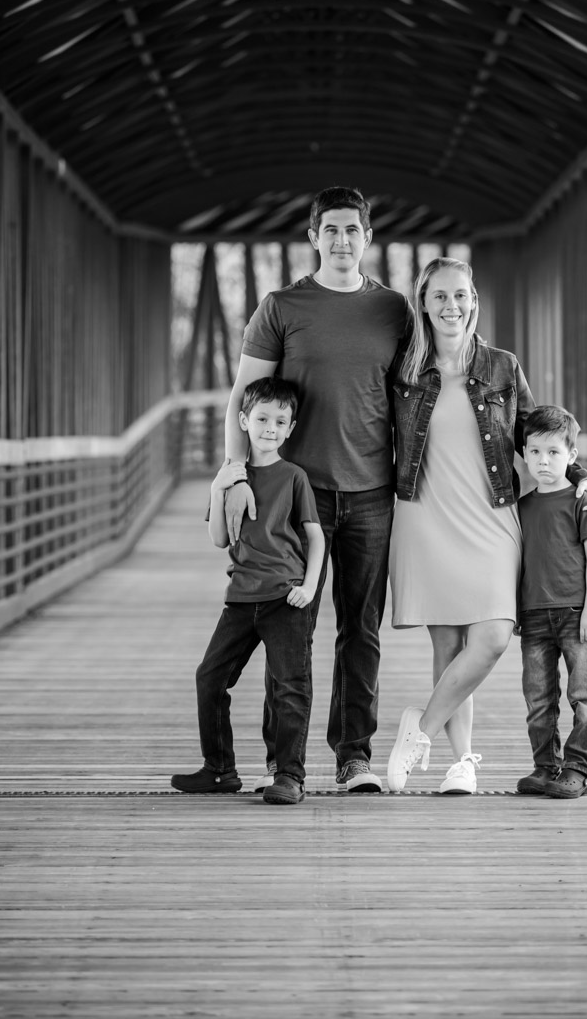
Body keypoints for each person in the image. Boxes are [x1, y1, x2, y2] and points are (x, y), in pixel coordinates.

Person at [219, 186, 411, 793]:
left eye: (353, 229)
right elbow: (242, 398)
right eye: (330, 229)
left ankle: (354, 757)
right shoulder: (281, 306)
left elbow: (426, 397)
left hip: (373, 493)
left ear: (368, 238)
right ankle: (287, 766)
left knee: (362, 628)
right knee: (290, 630)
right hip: (296, 495)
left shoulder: (395, 311)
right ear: (312, 238)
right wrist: (235, 470)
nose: (342, 240)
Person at [385, 257, 587, 795]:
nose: (450, 306)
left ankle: (421, 730)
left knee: (493, 636)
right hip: (426, 514)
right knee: (448, 645)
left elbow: (540, 431)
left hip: (492, 516)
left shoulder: (503, 367)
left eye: (460, 295)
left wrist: (579, 474)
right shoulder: (404, 370)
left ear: (474, 301)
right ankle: (463, 764)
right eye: (438, 296)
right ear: (424, 303)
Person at [171, 377, 324, 805]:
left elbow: (315, 537)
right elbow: (220, 538)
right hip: (240, 599)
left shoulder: (294, 477)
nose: (270, 427)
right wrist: (218, 487)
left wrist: (309, 588)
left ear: (291, 428)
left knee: (291, 686)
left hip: (284, 598)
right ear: (243, 421)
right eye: (261, 418)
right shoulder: (231, 476)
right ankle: (219, 769)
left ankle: (290, 776)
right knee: (210, 678)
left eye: (280, 420)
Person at [515, 405, 587, 799]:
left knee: (583, 697)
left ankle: (577, 769)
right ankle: (544, 767)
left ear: (572, 456)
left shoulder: (581, 500)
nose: (543, 461)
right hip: (534, 615)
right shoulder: (522, 506)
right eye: (534, 452)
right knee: (538, 699)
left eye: (553, 452)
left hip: (574, 614)